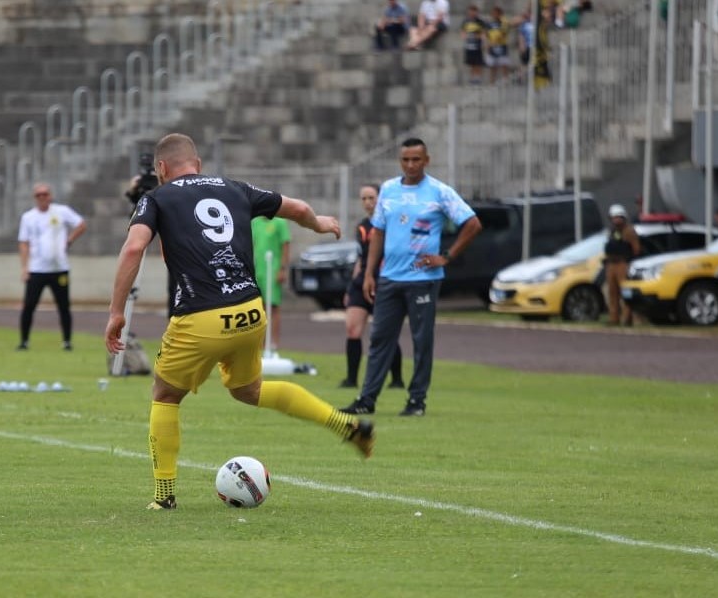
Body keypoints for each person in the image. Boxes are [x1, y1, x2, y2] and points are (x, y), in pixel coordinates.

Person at [104, 133, 375, 510]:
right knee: (249, 390)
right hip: (250, 310)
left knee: (165, 395)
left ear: (161, 168)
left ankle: (164, 497)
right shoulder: (235, 188)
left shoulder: (157, 197)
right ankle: (344, 424)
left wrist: (117, 312)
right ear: (197, 164)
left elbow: (134, 247)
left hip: (200, 316)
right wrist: (320, 224)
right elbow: (296, 208)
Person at [340, 138, 482, 417]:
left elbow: (473, 223)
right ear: (400, 161)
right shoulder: (390, 190)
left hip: (423, 278)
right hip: (389, 277)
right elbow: (378, 232)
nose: (411, 165)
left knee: (421, 340)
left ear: (426, 160)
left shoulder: (439, 191)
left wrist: (447, 256)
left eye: (416, 159)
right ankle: (367, 399)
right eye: (406, 159)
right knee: (380, 338)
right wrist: (370, 273)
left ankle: (417, 400)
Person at [340, 184, 404, 390]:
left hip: (383, 282)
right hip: (362, 283)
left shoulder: (390, 224)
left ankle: (397, 379)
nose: (368, 202)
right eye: (364, 198)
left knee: (384, 332)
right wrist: (351, 287)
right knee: (352, 329)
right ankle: (351, 379)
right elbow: (361, 258)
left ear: (380, 199)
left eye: (371, 198)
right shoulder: (362, 226)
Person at [17, 182, 87, 351]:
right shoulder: (28, 217)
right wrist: (24, 267)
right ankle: (24, 341)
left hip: (59, 269)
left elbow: (81, 224)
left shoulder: (61, 211)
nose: (42, 198)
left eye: (45, 194)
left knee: (64, 306)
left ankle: (67, 342)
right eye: (38, 195)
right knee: (29, 306)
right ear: (35, 198)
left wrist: (69, 240)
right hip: (37, 270)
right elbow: (24, 243)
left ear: (50, 195)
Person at [251, 215, 290, 349]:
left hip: (272, 269)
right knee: (259, 307)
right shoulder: (255, 222)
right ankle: (261, 342)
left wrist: (283, 269)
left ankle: (274, 342)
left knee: (273, 306)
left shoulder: (280, 222)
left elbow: (285, 245)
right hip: (258, 270)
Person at [603, 204, 641, 326]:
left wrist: (629, 262)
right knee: (612, 293)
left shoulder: (629, 231)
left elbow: (636, 249)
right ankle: (614, 318)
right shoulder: (611, 232)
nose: (616, 220)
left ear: (623, 217)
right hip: (611, 265)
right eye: (614, 217)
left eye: (618, 217)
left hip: (623, 265)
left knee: (626, 292)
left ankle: (627, 318)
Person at [484, 5, 513, 83]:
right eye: (493, 13)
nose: (494, 15)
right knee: (492, 66)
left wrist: (496, 39)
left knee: (504, 64)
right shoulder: (489, 23)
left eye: (496, 13)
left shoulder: (503, 22)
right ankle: (492, 82)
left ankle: (505, 80)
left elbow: (504, 33)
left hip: (501, 46)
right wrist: (488, 44)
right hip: (492, 47)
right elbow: (486, 35)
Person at [461, 5, 488, 85]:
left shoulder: (480, 22)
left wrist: (480, 38)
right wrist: (465, 36)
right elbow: (463, 32)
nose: (472, 13)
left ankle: (478, 77)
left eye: (474, 11)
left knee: (478, 62)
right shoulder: (466, 21)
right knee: (471, 62)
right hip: (469, 45)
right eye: (470, 11)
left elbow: (483, 33)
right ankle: (472, 78)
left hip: (477, 45)